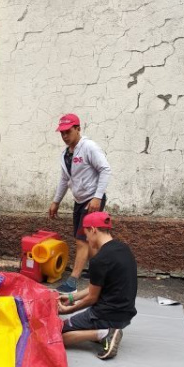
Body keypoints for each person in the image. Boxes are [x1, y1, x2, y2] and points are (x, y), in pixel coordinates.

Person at [57, 211, 137, 360]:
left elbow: (92, 298)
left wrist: (69, 310)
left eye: (86, 233)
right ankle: (105, 331)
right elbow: (97, 287)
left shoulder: (100, 260)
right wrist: (71, 296)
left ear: (93, 229)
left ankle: (104, 333)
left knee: (57, 334)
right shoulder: (124, 249)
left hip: (105, 314)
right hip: (125, 313)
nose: (86, 238)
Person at [48, 113, 112, 293]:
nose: (65, 136)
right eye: (62, 133)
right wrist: (56, 201)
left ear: (78, 129)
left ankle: (72, 281)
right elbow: (64, 180)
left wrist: (97, 197)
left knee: (81, 240)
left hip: (92, 200)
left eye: (68, 132)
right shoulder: (65, 154)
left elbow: (105, 169)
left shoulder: (89, 147)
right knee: (89, 241)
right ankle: (98, 273)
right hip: (80, 201)